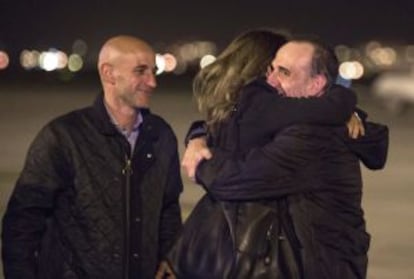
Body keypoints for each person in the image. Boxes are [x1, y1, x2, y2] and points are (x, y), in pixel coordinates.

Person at [181, 36, 388, 278]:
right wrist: (199, 135)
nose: (271, 81)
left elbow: (234, 180)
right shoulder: (298, 121)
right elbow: (235, 128)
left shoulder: (312, 137)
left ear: (316, 84)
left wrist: (201, 163)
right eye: (270, 70)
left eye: (284, 72)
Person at [2, 35, 183, 279]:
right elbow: (22, 223)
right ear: (108, 73)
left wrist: (169, 258)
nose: (152, 82)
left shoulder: (161, 136)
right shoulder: (63, 137)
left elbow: (168, 209)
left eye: (154, 71)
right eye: (141, 71)